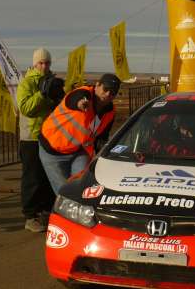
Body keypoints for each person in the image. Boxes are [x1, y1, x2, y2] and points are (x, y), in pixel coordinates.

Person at [39, 73, 120, 194]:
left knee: (81, 187)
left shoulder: (109, 112)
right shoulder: (84, 93)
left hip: (79, 151)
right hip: (52, 150)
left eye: (112, 93)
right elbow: (76, 99)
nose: (108, 94)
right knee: (64, 191)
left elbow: (101, 138)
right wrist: (81, 103)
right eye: (106, 89)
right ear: (97, 85)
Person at [16, 47, 63, 233]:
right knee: (32, 177)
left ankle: (46, 212)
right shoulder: (26, 83)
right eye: (41, 63)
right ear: (35, 64)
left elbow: (59, 106)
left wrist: (59, 95)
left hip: (49, 136)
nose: (44, 66)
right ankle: (30, 216)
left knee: (47, 176)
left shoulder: (51, 81)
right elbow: (25, 108)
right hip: (31, 137)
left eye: (47, 63)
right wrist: (42, 94)